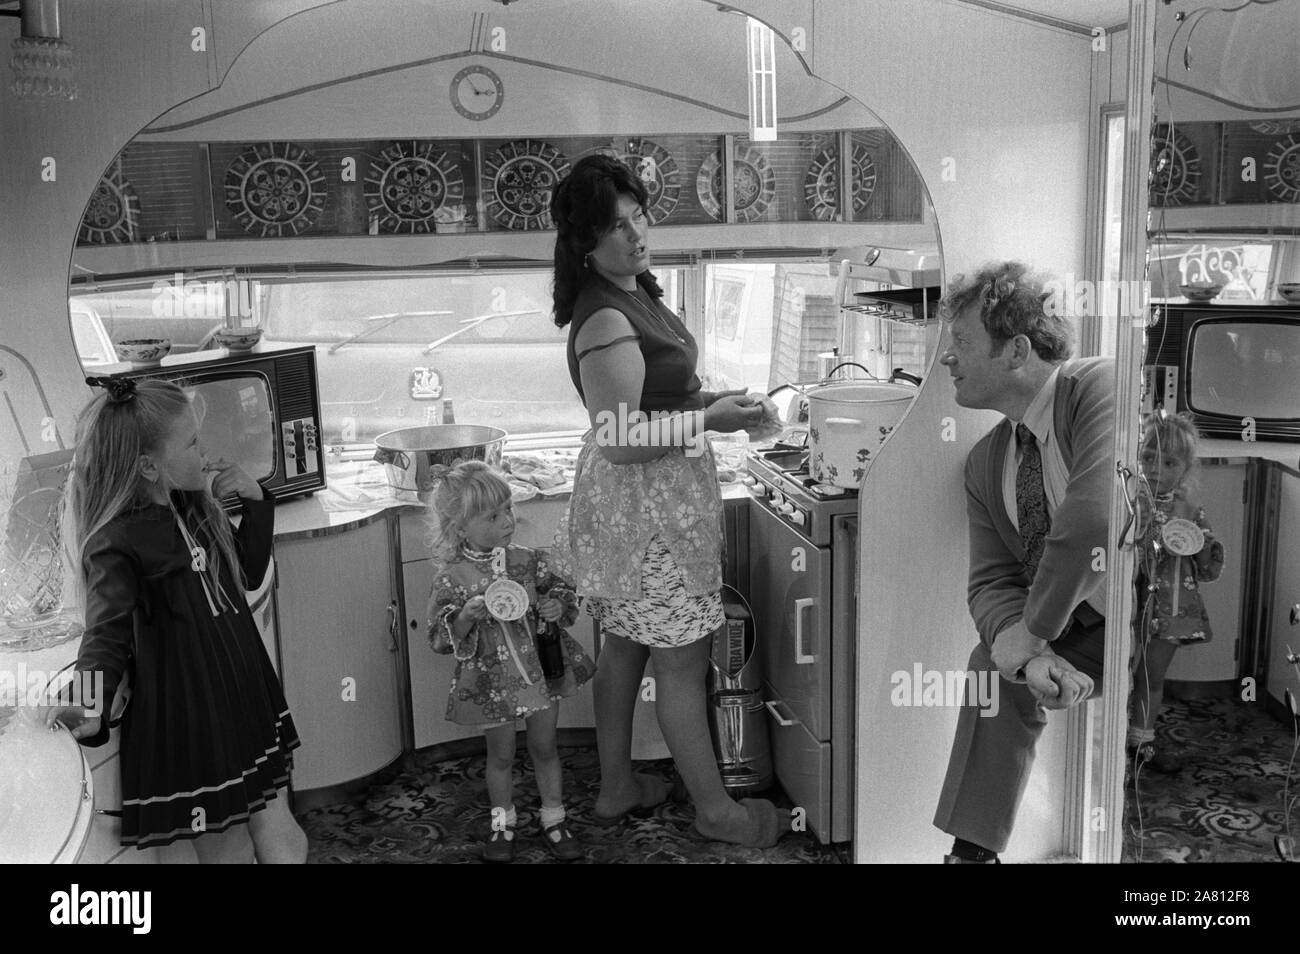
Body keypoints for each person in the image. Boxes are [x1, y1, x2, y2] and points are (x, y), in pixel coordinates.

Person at [548, 153, 783, 847]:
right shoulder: (603, 319)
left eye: (638, 215)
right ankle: (717, 813)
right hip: (646, 512)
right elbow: (621, 438)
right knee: (681, 659)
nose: (635, 233)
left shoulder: (635, 290)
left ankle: (617, 786)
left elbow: (664, 398)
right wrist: (712, 421)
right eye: (615, 227)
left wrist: (718, 402)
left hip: (648, 506)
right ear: (583, 244)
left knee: (624, 646)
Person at [46, 377, 306, 863]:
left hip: (241, 694)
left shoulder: (192, 505)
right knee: (229, 850)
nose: (203, 452)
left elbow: (246, 575)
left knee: (279, 832)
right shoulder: (116, 541)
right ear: (148, 466)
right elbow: (106, 635)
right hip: (193, 718)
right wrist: (86, 701)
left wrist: (254, 500)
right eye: (191, 443)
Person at [932, 262, 1115, 864]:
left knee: (1007, 656)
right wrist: (1022, 652)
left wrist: (1033, 636)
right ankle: (970, 858)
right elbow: (990, 582)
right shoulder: (985, 463)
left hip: (1145, 613)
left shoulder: (1099, 386)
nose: (945, 360)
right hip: (1080, 629)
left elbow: (1094, 521)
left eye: (959, 343)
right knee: (991, 667)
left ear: (1015, 350)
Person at [425, 461, 595, 862]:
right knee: (500, 755)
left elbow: (562, 592)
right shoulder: (453, 578)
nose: (508, 521)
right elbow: (436, 637)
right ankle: (503, 821)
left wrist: (556, 605)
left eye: (509, 510)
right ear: (460, 527)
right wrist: (465, 616)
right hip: (490, 681)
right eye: (493, 516)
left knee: (545, 746)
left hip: (539, 673)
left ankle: (554, 817)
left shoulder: (526, 560)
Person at [1129, 412, 1224, 775]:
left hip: (1169, 609)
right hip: (1131, 603)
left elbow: (1207, 565)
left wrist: (1194, 540)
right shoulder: (1129, 499)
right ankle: (1112, 736)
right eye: (1148, 456)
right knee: (1120, 668)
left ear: (1184, 470)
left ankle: (1141, 741)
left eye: (1169, 462)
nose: (1155, 468)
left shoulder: (1188, 510)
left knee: (1150, 676)